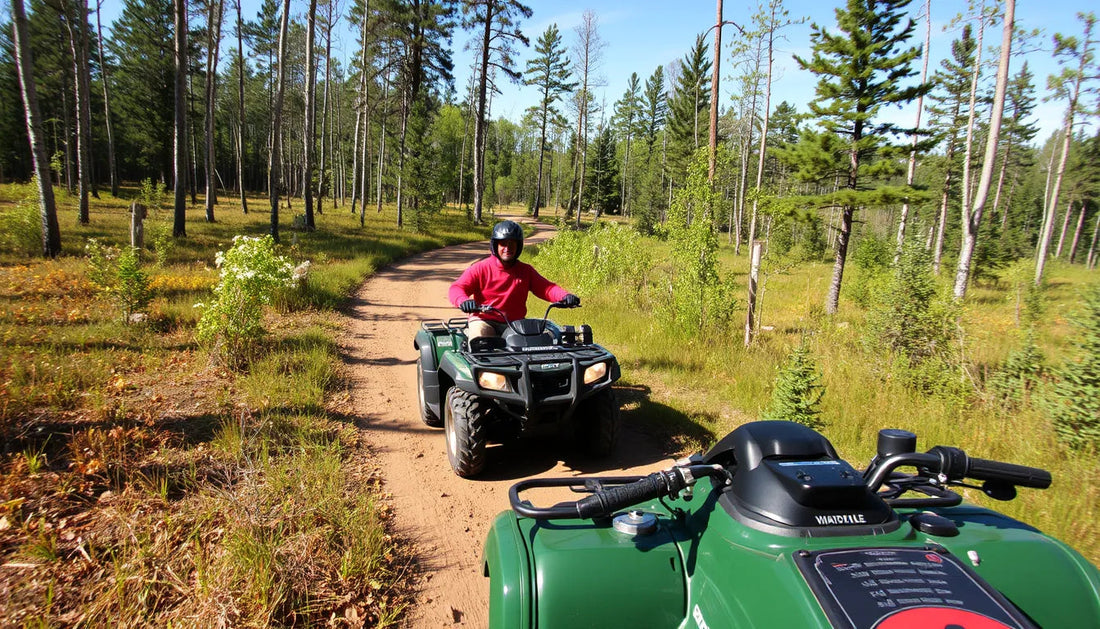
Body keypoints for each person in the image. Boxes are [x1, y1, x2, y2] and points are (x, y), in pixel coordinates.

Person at [448, 220, 580, 339]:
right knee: (482, 340)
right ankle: (481, 366)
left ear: (519, 246)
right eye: (503, 244)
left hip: (515, 324)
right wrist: (463, 301)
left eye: (512, 244)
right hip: (484, 320)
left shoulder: (525, 271)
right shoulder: (480, 268)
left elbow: (547, 288)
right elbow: (457, 288)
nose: (507, 248)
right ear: (495, 245)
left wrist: (565, 296)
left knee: (539, 344)